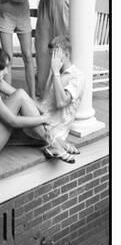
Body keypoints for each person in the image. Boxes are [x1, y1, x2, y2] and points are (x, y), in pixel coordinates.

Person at [23, 35, 84, 164]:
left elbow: (61, 103)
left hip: (53, 128)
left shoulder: (77, 77)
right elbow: (44, 103)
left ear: (66, 54)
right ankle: (60, 144)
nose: (52, 60)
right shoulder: (55, 73)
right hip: (42, 123)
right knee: (20, 98)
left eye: (55, 55)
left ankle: (56, 143)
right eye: (51, 55)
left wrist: (55, 72)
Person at [0, 0, 48, 99]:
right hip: (6, 13)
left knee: (27, 56)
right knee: (8, 58)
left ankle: (32, 98)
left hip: (22, 13)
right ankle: (9, 99)